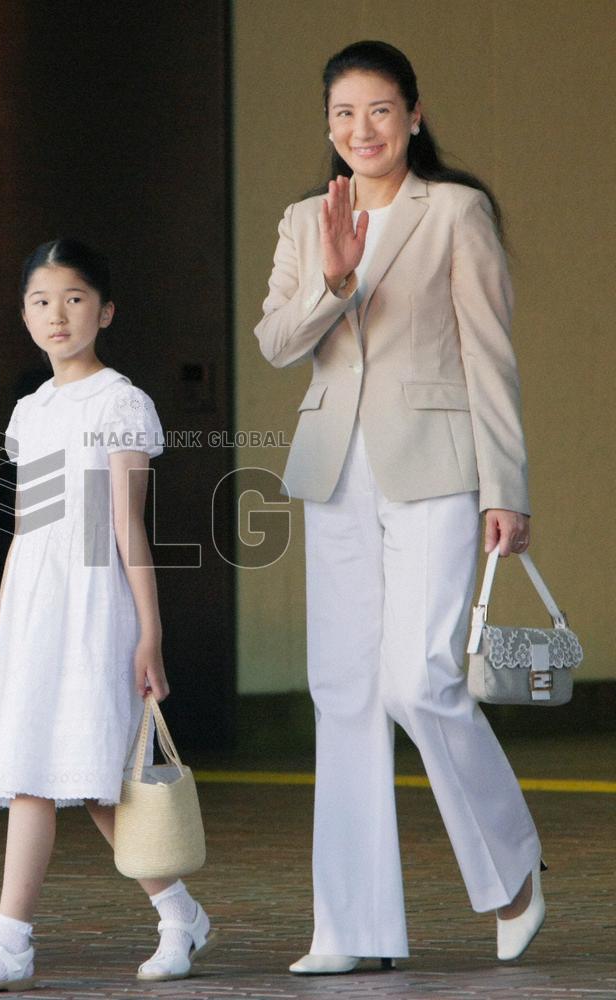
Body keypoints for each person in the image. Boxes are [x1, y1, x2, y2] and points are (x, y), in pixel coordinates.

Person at [254, 41, 543, 974]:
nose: (360, 130)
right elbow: (275, 344)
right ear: (327, 124)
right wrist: (335, 280)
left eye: (379, 110)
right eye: (343, 114)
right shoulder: (307, 220)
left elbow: (487, 354)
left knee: (419, 680)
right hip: (337, 469)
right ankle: (350, 929)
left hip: (439, 465)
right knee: (344, 694)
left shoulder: (455, 210)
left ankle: (512, 868)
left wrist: (508, 488)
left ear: (414, 115)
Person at [0, 239, 214, 995]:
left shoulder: (120, 401)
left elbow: (127, 527)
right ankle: (12, 940)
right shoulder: (31, 409)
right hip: (33, 610)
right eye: (41, 301)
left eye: (76, 298)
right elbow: (25, 531)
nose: (58, 314)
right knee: (31, 771)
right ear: (22, 314)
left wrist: (149, 633)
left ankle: (173, 913)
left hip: (95, 605)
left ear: (105, 311)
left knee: (98, 783)